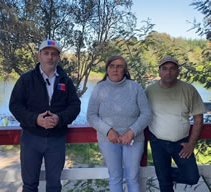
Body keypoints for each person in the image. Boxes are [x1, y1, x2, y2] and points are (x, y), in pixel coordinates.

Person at [9, 39, 80, 192]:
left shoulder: (65, 81)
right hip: (30, 138)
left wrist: (59, 118)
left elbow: (75, 106)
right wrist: (35, 119)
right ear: (39, 56)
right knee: (29, 185)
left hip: (56, 139)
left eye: (54, 54)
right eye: (46, 53)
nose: (50, 57)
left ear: (58, 57)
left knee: (54, 185)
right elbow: (15, 105)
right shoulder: (26, 80)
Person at [87, 55, 152, 192]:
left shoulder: (135, 88)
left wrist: (131, 132)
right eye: (112, 66)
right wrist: (108, 131)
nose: (115, 69)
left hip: (134, 140)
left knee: (132, 177)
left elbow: (146, 114)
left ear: (125, 69)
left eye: (119, 66)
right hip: (108, 140)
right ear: (107, 69)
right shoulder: (99, 89)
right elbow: (91, 116)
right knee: (115, 177)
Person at [145, 56, 206, 192]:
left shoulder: (188, 90)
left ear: (178, 72)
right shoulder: (150, 90)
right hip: (157, 142)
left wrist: (191, 144)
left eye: (172, 69)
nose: (168, 72)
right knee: (165, 185)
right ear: (159, 72)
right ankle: (163, 176)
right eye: (164, 69)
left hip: (181, 143)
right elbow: (142, 113)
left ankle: (164, 174)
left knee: (192, 177)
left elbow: (198, 119)